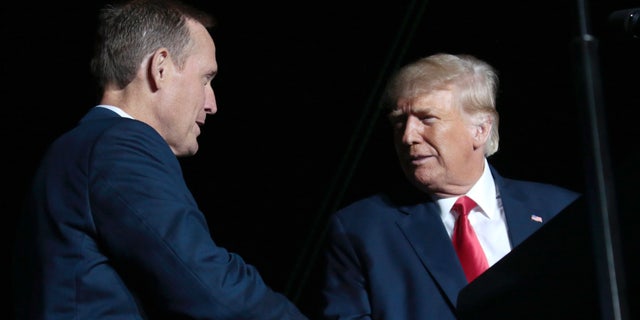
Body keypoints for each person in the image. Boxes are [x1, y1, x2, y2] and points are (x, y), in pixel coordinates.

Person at [11, 0, 308, 318]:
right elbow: (207, 286)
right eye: (206, 79)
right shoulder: (119, 145)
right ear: (161, 67)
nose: (212, 103)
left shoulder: (79, 146)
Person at [320, 53, 581, 319]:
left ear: (480, 129)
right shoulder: (360, 230)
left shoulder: (561, 211)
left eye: (427, 118)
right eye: (399, 121)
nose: (408, 136)